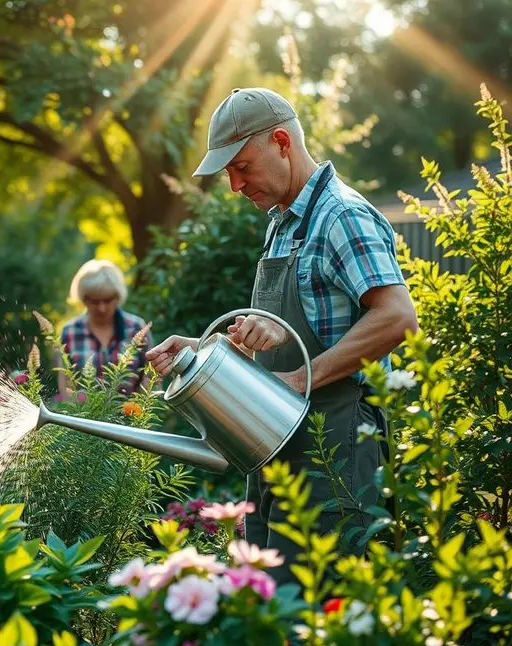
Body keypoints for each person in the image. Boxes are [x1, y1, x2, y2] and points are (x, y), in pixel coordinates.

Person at [146, 88, 418, 585]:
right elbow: (279, 337)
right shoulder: (282, 224)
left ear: (281, 142)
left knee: (315, 609)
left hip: (332, 448)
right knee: (267, 606)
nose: (234, 185)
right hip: (274, 443)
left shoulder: (341, 215)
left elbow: (398, 318)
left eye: (241, 167)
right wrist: (203, 350)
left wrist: (298, 381)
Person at [57, 259, 154, 399]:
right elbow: (65, 384)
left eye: (108, 300)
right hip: (83, 412)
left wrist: (140, 407)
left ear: (118, 296)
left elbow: (150, 376)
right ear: (84, 298)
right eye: (95, 301)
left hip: (130, 411)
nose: (102, 308)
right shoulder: (70, 332)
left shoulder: (136, 328)